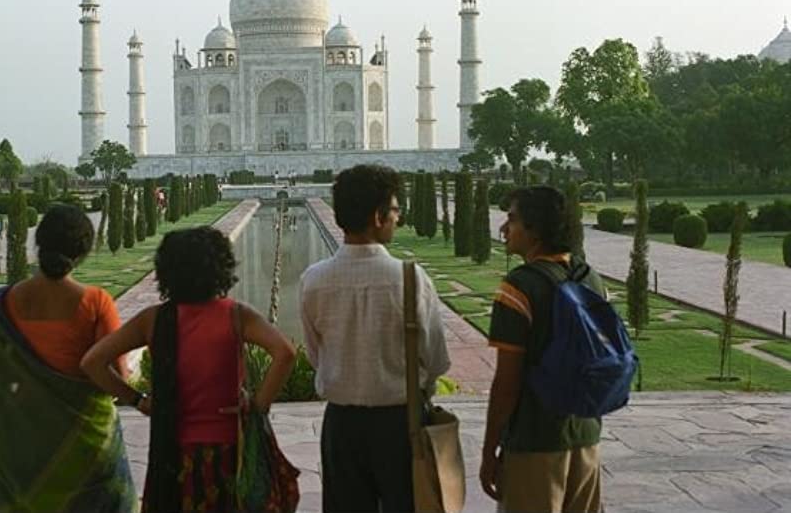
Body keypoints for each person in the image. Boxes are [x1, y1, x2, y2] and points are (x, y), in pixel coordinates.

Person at [82, 226, 296, 513]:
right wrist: (258, 405)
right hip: (229, 451)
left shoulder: (153, 320)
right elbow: (285, 353)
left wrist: (138, 401)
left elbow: (93, 362)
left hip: (174, 454)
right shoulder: (235, 315)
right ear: (220, 267)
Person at [299, 164, 451, 512]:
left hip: (341, 426)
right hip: (401, 425)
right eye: (395, 210)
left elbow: (314, 354)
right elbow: (437, 359)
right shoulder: (410, 279)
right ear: (378, 217)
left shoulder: (314, 280)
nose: (398, 218)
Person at [0, 204, 137, 512]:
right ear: (85, 249)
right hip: (85, 446)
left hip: (21, 447)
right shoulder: (95, 302)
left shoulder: (4, 304)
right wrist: (138, 399)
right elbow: (118, 375)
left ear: (39, 243)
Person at [480, 186, 606, 513]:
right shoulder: (590, 278)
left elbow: (507, 384)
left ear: (534, 230)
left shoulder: (519, 287)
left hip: (535, 441)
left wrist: (489, 451)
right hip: (585, 434)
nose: (504, 228)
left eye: (512, 219)